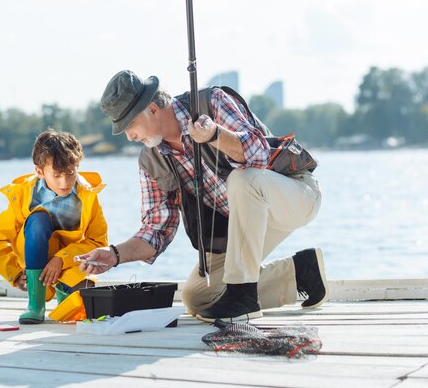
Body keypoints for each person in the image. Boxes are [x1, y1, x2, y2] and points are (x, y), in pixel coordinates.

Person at [79, 70, 327, 323]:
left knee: (243, 179)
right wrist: (114, 254)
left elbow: (259, 154)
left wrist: (215, 136)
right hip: (247, 223)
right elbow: (157, 229)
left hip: (295, 193)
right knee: (198, 297)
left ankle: (243, 299)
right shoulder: (150, 160)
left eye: (129, 126)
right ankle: (301, 272)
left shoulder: (213, 102)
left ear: (152, 109)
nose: (130, 137)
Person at [0, 129, 108, 324]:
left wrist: (61, 259)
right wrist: (14, 273)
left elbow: (97, 242)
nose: (65, 182)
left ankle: (63, 291)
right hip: (36, 270)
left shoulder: (88, 196)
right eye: (57, 175)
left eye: (70, 172)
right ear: (40, 172)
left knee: (88, 304)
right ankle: (35, 304)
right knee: (38, 219)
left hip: (68, 264)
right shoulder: (24, 195)